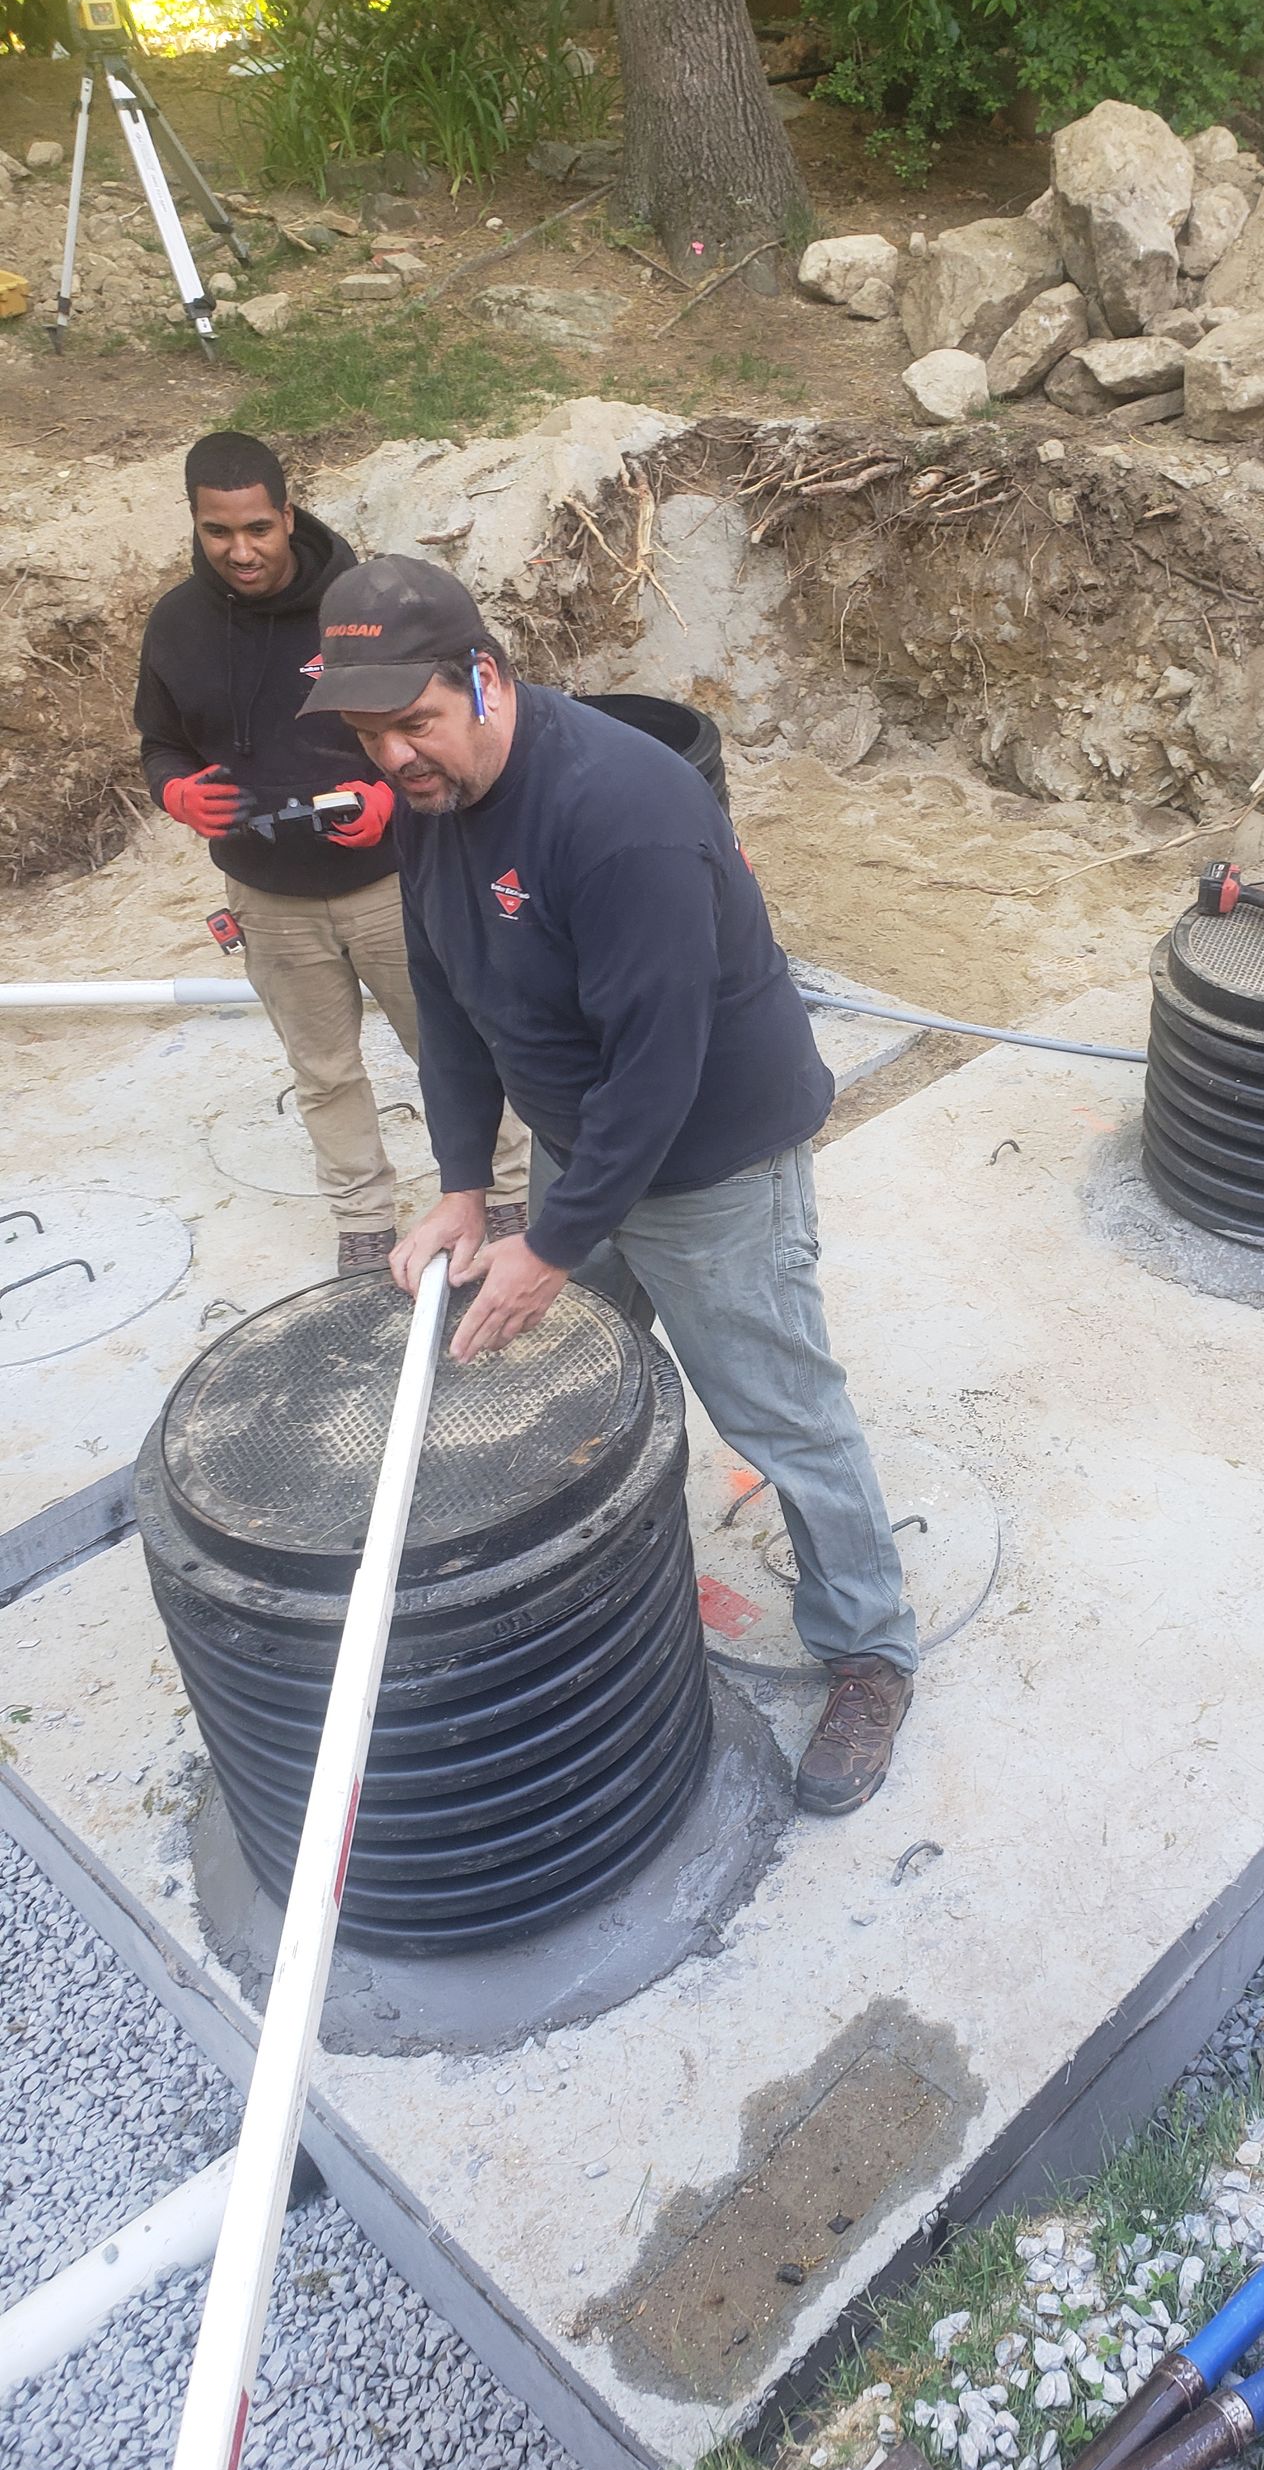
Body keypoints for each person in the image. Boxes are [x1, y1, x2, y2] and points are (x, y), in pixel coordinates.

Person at [300, 554, 919, 1816]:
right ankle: (615, 1581)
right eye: (371, 737)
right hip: (591, 1148)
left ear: (485, 676)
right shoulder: (429, 807)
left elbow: (660, 1065)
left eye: (414, 723)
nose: (397, 759)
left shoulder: (617, 810)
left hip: (710, 1160)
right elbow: (454, 1011)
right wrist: (468, 1187)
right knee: (592, 1376)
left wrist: (554, 1240)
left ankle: (869, 1649)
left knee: (781, 1411)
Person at [134, 432, 528, 1272]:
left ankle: (504, 1191)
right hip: (267, 896)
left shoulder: (356, 606)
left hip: (390, 879)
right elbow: (159, 743)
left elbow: (444, 711)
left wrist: (391, 798)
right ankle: (362, 1218)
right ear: (196, 524)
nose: (241, 550)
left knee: (454, 1038)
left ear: (286, 513)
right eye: (217, 532)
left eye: (257, 528)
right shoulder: (176, 624)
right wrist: (175, 792)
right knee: (322, 1069)